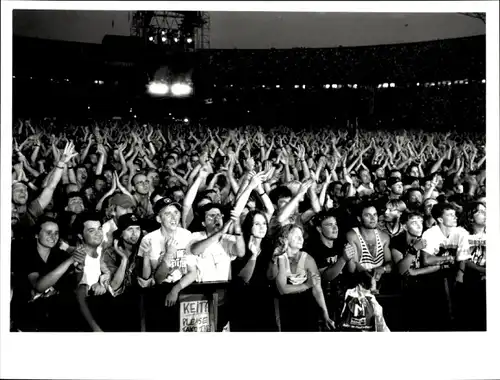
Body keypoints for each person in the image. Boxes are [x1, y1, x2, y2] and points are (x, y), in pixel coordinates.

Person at [11, 216, 86, 331]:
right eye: (48, 232)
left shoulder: (60, 255)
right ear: (36, 235)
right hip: (28, 313)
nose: (53, 237)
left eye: (56, 233)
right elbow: (39, 286)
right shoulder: (25, 254)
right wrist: (71, 260)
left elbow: (74, 281)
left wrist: (79, 269)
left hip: (53, 312)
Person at [139, 197, 197, 331]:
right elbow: (158, 278)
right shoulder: (149, 239)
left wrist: (176, 289)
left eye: (176, 212)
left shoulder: (186, 235)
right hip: (160, 293)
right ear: (159, 219)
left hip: (183, 288)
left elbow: (193, 272)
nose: (173, 217)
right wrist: (169, 254)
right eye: (167, 213)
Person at [273, 224, 335, 332]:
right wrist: (306, 285)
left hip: (305, 308)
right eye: (296, 235)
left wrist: (325, 314)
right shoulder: (279, 257)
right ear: (284, 239)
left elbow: (317, 288)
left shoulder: (308, 259)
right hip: (284, 310)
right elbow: (282, 289)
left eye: (301, 235)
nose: (300, 238)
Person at [420, 203, 471, 331]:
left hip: (454, 272)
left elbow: (462, 259)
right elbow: (426, 260)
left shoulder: (461, 232)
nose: (455, 218)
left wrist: (460, 275)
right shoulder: (430, 233)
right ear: (440, 219)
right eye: (450, 215)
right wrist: (447, 259)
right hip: (434, 274)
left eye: (454, 215)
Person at [390, 211, 444, 331]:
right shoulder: (397, 241)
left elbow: (438, 265)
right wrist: (414, 250)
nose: (419, 226)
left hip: (427, 285)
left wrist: (417, 272)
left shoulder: (428, 238)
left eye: (420, 222)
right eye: (414, 222)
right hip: (406, 289)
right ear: (404, 226)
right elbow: (401, 270)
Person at [229, 210, 278, 331]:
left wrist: (274, 258)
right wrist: (254, 256)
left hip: (264, 301)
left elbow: (271, 277)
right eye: (257, 224)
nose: (262, 227)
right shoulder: (241, 247)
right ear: (249, 226)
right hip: (244, 302)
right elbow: (244, 278)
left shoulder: (269, 246)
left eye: (264, 223)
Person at [304, 210, 355, 324]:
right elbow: (325, 277)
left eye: (335, 224)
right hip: (323, 301)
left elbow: (352, 270)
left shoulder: (340, 243)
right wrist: (343, 259)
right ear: (319, 229)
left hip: (343, 297)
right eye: (329, 225)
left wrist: (351, 257)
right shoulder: (313, 249)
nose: (335, 228)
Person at [101, 213, 144, 331]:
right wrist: (124, 260)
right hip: (119, 305)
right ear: (121, 233)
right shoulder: (109, 253)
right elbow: (114, 286)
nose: (135, 234)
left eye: (138, 229)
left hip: (142, 303)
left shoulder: (144, 249)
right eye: (130, 229)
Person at [346, 202, 393, 294]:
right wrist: (370, 278)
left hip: (379, 283)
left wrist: (382, 269)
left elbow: (390, 264)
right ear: (359, 218)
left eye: (375, 214)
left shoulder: (384, 237)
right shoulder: (352, 235)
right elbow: (353, 267)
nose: (373, 218)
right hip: (358, 283)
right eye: (368, 215)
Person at [457, 201, 486, 331]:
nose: (485, 213)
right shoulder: (464, 235)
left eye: (485, 210)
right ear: (470, 216)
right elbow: (465, 260)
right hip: (472, 280)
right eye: (479, 211)